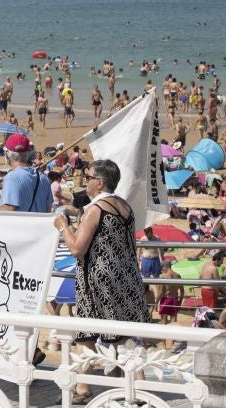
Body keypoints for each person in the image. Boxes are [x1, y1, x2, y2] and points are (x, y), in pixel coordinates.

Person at [52, 159, 151, 403]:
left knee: (116, 335)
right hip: (126, 277)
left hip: (100, 282)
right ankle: (84, 387)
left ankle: (139, 390)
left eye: (88, 177)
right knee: (100, 332)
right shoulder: (124, 206)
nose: (85, 181)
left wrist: (63, 226)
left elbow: (76, 248)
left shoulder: (96, 209)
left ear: (100, 181)